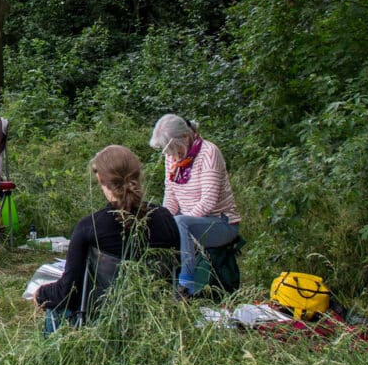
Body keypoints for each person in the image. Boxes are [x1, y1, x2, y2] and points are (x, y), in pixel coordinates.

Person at [34, 145, 180, 333]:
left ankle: (54, 350)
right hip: (154, 322)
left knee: (55, 307)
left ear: (100, 179)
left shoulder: (90, 227)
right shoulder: (165, 217)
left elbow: (67, 293)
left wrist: (41, 293)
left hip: (104, 324)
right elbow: (175, 271)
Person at [149, 114, 241, 297]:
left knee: (180, 222)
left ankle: (187, 286)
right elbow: (171, 195)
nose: (172, 156)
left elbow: (208, 201)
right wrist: (164, 221)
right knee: (158, 219)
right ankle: (159, 284)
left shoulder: (209, 153)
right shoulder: (171, 157)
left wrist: (177, 224)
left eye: (175, 150)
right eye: (169, 152)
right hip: (189, 221)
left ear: (185, 137)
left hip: (221, 223)